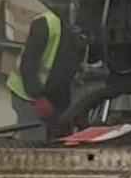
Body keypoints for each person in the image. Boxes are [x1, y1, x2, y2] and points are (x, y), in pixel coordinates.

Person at [5, 8, 81, 140]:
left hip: (55, 97)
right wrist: (39, 98)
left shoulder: (82, 29)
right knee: (34, 141)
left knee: (58, 142)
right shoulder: (46, 23)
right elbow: (28, 65)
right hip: (28, 95)